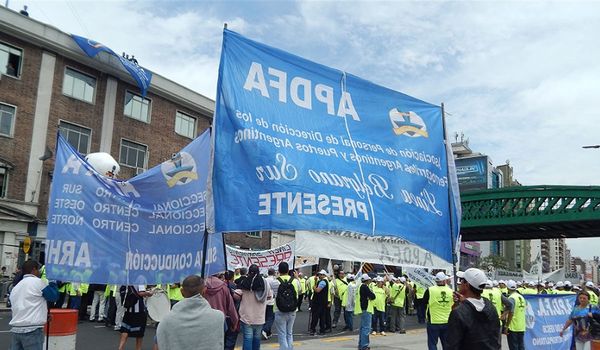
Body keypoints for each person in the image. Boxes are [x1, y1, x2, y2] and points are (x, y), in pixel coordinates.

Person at [156, 275, 224, 349]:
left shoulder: (166, 321)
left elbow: (159, 344)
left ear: (182, 292)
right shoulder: (219, 317)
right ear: (204, 291)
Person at [446, 268, 500, 350]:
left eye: (461, 281)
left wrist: (464, 304)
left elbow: (452, 345)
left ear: (466, 285)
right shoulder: (490, 306)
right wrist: (465, 303)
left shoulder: (458, 313)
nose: (459, 284)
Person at [9, 260, 58, 350]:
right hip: (32, 330)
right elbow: (53, 296)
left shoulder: (16, 287)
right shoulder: (38, 283)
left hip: (16, 330)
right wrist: (52, 282)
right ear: (34, 269)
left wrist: (44, 314)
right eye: (38, 269)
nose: (39, 272)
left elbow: (25, 305)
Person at [236, 264, 272, 350]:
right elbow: (269, 296)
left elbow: (236, 295)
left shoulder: (245, 282)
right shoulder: (264, 282)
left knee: (248, 338)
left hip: (246, 316)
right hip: (259, 316)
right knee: (257, 338)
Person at [204, 272, 240, 346]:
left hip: (205, 319)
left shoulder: (202, 287)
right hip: (221, 319)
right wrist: (235, 321)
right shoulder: (224, 287)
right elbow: (230, 306)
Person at [423, 271, 453, 350]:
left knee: (432, 344)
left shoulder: (430, 290)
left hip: (433, 321)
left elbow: (423, 303)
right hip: (447, 321)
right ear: (444, 280)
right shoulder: (451, 291)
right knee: (446, 344)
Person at [273, 262, 299, 350]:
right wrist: (297, 278)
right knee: (289, 333)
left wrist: (276, 277)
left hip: (279, 310)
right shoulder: (295, 281)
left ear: (279, 271)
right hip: (292, 310)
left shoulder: (275, 282)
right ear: (288, 270)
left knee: (282, 334)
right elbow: (300, 290)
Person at [118, 285, 152, 350]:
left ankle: (120, 347)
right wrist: (149, 293)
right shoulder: (140, 278)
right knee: (139, 333)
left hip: (128, 309)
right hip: (139, 310)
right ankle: (138, 348)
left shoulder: (128, 278)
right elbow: (141, 293)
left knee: (125, 329)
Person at [355, 274, 376, 350]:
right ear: (367, 280)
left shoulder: (359, 286)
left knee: (362, 328)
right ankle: (364, 346)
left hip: (361, 308)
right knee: (366, 328)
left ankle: (361, 345)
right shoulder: (365, 287)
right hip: (366, 309)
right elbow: (373, 296)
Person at [504, 280, 526, 350]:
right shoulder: (521, 297)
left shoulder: (511, 298)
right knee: (521, 346)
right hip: (521, 326)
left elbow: (511, 312)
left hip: (513, 327)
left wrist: (507, 326)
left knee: (514, 347)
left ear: (507, 288)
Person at [309, 270, 330, 335]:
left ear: (324, 275)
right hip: (322, 302)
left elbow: (318, 290)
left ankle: (313, 329)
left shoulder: (323, 282)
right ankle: (322, 330)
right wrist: (315, 281)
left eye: (321, 274)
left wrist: (314, 287)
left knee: (316, 316)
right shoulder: (320, 281)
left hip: (319, 303)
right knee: (322, 317)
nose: (319, 275)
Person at [262, 268, 278, 339]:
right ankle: (265, 330)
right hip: (271, 301)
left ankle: (268, 332)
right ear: (274, 273)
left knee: (265, 318)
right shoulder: (275, 281)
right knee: (271, 318)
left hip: (264, 301)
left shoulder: (264, 280)